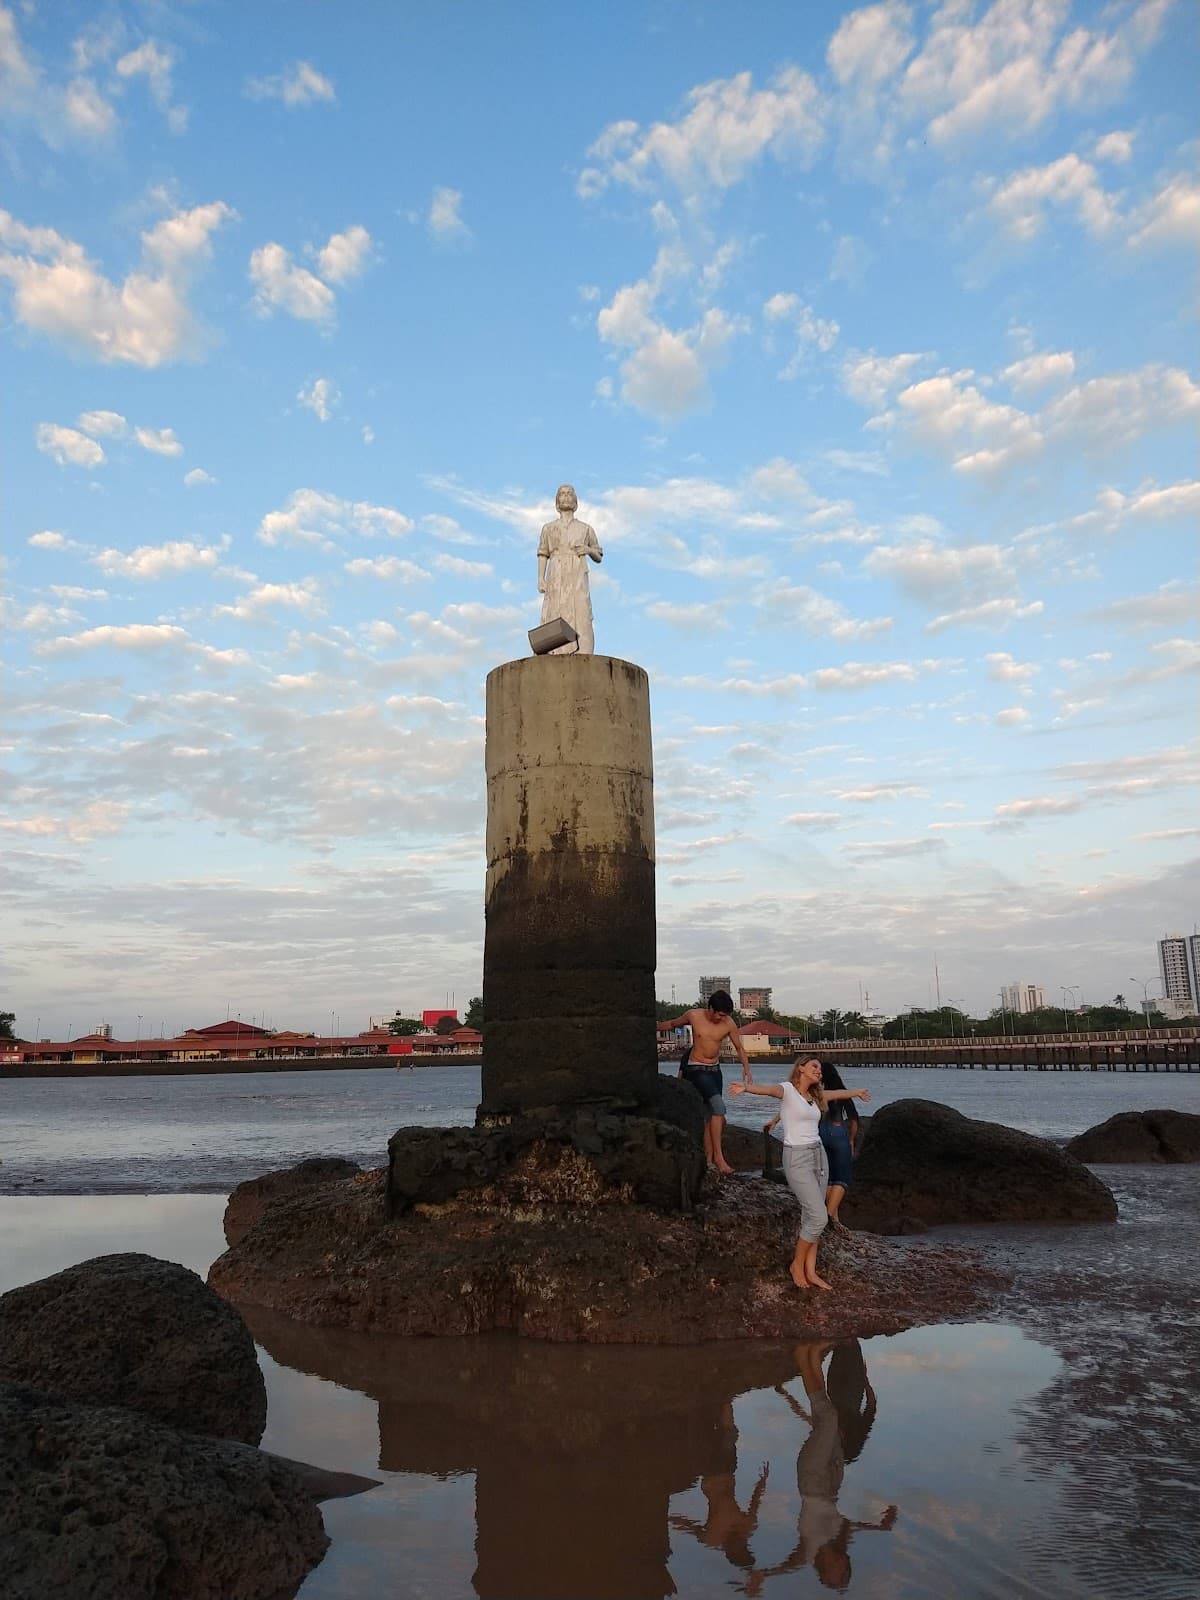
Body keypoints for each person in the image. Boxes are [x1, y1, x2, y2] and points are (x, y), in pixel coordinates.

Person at [744, 1344, 896, 1595]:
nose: (841, 1567)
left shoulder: (808, 1552)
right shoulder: (840, 1537)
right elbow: (855, 1525)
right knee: (828, 1416)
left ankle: (808, 1358)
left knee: (828, 1419)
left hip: (812, 1479)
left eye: (837, 1575)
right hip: (833, 1479)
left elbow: (787, 1566)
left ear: (825, 1573)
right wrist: (880, 1526)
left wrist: (764, 1575)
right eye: (845, 1571)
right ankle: (806, 1357)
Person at [728, 1059, 869, 1290]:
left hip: (818, 1155)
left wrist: (856, 1092)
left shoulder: (815, 1096)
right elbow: (769, 1090)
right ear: (801, 1068)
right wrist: (746, 1088)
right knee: (819, 1217)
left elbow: (836, 1093)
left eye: (820, 1069)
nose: (818, 1070)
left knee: (811, 1215)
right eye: (814, 1066)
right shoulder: (788, 1090)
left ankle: (810, 1271)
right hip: (797, 1157)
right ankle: (797, 1265)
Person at [665, 991, 751, 1175]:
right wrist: (653, 1026)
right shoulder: (694, 1015)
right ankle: (720, 1159)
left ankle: (709, 1160)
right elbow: (672, 1024)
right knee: (719, 1108)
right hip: (696, 1070)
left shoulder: (728, 1023)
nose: (722, 1018)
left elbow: (739, 1047)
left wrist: (746, 1067)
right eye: (719, 1014)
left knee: (709, 1116)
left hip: (715, 1071)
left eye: (725, 1015)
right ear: (711, 1008)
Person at [536, 484, 603, 654]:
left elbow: (598, 555)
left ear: (575, 500)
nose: (566, 496)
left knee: (581, 610)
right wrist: (541, 578)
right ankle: (553, 650)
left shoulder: (585, 528)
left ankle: (583, 650)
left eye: (569, 494)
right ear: (557, 501)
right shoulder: (548, 528)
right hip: (556, 572)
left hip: (577, 574)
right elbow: (543, 553)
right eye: (562, 494)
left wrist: (588, 550)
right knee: (554, 609)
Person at [818, 1061, 860, 1229]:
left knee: (828, 1178)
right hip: (837, 1132)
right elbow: (854, 1119)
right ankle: (828, 1217)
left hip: (820, 1132)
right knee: (842, 1178)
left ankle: (835, 1219)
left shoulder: (816, 1092)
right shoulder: (842, 1092)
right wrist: (851, 1139)